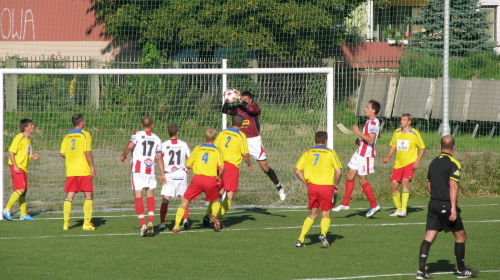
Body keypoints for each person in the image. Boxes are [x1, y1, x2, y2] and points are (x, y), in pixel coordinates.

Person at [416, 136, 479, 279]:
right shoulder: (453, 163)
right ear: (454, 147)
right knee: (461, 236)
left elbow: (428, 185)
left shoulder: (433, 163)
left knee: (429, 236)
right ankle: (462, 270)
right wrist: (452, 208)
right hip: (446, 204)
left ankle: (421, 271)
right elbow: (453, 185)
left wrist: (436, 197)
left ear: (440, 146)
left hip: (433, 203)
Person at [222, 90, 286, 201]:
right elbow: (223, 110)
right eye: (242, 99)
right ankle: (223, 194)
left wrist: (244, 102)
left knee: (264, 167)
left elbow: (251, 109)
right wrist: (227, 101)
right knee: (230, 165)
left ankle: (279, 187)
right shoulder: (238, 108)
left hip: (254, 141)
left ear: (251, 100)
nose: (243, 101)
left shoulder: (255, 107)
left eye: (246, 100)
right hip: (240, 139)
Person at [332, 100, 381, 217]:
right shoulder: (371, 122)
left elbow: (371, 140)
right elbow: (376, 135)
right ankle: (345, 203)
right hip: (359, 152)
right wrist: (360, 141)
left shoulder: (373, 123)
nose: (365, 109)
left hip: (365, 155)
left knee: (362, 180)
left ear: (374, 110)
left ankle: (374, 205)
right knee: (349, 175)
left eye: (368, 107)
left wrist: (358, 132)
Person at [203, 114, 253, 228]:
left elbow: (214, 147)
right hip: (231, 167)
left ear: (231, 122)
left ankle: (207, 215)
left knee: (218, 192)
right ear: (241, 125)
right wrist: (249, 164)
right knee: (230, 195)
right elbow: (245, 154)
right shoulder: (241, 136)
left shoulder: (223, 133)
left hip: (220, 165)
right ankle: (218, 218)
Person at [171, 128, 224, 233]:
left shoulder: (198, 148)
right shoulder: (217, 150)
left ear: (205, 137)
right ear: (215, 138)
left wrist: (196, 168)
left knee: (184, 201)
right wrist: (219, 177)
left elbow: (187, 164)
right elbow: (222, 167)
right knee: (216, 200)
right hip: (210, 179)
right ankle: (213, 215)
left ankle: (176, 226)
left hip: (198, 179)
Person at [294, 131, 342, 248]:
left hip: (312, 187)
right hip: (326, 187)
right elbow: (339, 171)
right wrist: (336, 184)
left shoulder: (308, 152)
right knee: (325, 214)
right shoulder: (330, 153)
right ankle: (323, 234)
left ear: (315, 140)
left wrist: (305, 181)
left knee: (313, 214)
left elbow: (297, 170)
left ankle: (300, 239)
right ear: (326, 141)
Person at [120, 117, 164, 237]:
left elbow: (129, 147)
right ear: (152, 125)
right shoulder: (156, 138)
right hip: (150, 170)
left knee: (138, 196)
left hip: (138, 170)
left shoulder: (137, 134)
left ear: (141, 124)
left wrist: (123, 155)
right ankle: (150, 221)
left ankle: (143, 225)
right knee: (150, 196)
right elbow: (159, 158)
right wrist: (163, 174)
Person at [383, 113, 426, 217]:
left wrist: (417, 161)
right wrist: (388, 157)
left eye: (404, 120)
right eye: (401, 119)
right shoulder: (397, 132)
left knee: (404, 182)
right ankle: (398, 209)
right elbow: (393, 146)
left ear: (409, 122)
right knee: (393, 185)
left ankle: (404, 209)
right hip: (398, 164)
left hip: (410, 163)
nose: (401, 121)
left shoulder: (414, 133)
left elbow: (423, 147)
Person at [60, 114, 96, 230]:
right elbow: (87, 152)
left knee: (69, 196)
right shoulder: (85, 135)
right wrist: (92, 166)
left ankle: (66, 223)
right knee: (88, 195)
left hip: (70, 170)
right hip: (83, 169)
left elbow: (62, 153)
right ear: (81, 123)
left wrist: (72, 156)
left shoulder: (67, 136)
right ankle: (86, 223)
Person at [3, 119, 40, 221]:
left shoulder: (28, 139)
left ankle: (23, 214)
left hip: (23, 168)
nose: (33, 126)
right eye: (31, 125)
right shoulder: (19, 137)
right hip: (17, 167)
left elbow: (24, 152)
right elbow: (11, 151)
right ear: (25, 127)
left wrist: (32, 156)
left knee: (23, 191)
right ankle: (6, 209)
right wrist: (15, 166)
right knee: (21, 189)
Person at [158, 123, 191, 231]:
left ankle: (162, 223)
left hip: (169, 174)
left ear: (168, 132)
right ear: (178, 132)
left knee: (166, 199)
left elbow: (158, 158)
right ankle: (185, 220)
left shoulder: (163, 145)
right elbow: (190, 160)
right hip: (181, 174)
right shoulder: (183, 144)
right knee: (184, 199)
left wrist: (162, 173)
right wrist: (187, 170)